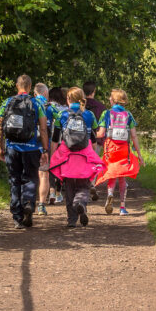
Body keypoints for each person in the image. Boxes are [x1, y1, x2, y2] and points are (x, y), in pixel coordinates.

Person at [0, 75, 48, 229]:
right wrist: (45, 150)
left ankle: (17, 218)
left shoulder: (7, 102)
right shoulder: (37, 103)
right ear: (30, 87)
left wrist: (1, 147)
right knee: (31, 178)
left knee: (15, 180)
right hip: (32, 148)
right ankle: (28, 203)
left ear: (16, 85)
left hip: (12, 148)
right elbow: (43, 129)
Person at [49, 87, 103, 228]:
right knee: (84, 186)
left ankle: (71, 220)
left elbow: (55, 139)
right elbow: (93, 138)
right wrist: (93, 155)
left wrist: (53, 157)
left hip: (67, 156)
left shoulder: (62, 115)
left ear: (68, 99)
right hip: (84, 155)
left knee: (69, 188)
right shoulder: (89, 115)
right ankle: (80, 203)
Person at [95, 88, 142, 216]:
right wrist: (139, 154)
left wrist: (90, 134)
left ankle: (110, 194)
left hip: (110, 148)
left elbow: (101, 134)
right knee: (122, 176)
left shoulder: (106, 113)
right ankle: (122, 207)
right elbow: (134, 136)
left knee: (112, 173)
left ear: (113, 100)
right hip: (124, 149)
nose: (109, 99)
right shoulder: (128, 115)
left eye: (110, 97)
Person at [33, 83, 59, 216]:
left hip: (28, 145)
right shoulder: (50, 107)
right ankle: (41, 206)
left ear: (35, 93)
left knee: (29, 175)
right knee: (44, 175)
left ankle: (27, 203)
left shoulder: (29, 103)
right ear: (45, 94)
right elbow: (62, 118)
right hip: (45, 145)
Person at [46, 86, 68, 205]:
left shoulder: (48, 107)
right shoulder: (66, 109)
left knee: (51, 166)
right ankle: (59, 193)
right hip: (64, 141)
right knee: (61, 167)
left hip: (51, 140)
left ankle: (51, 192)